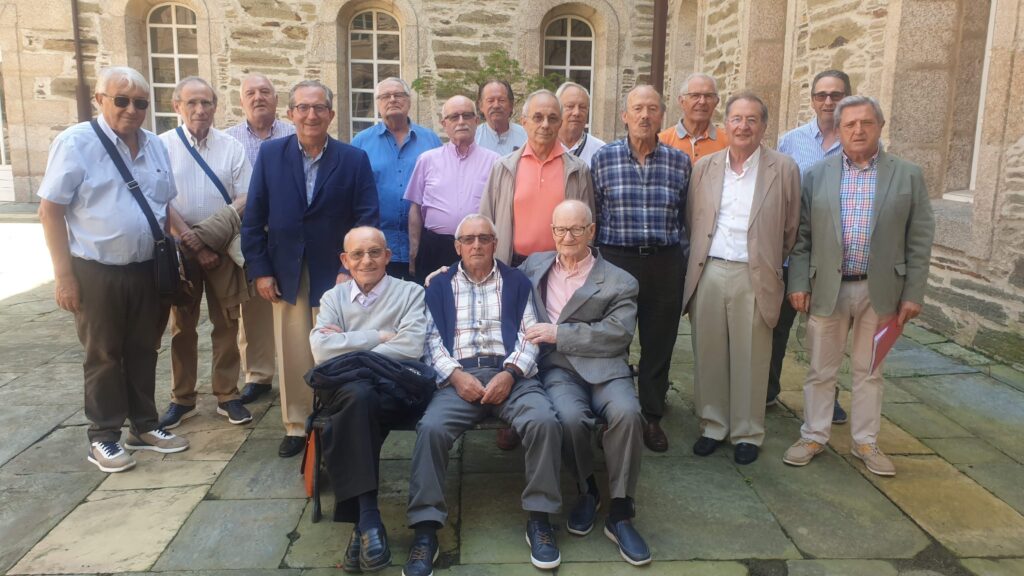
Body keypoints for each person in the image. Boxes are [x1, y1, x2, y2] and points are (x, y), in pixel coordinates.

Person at [37, 66, 188, 473]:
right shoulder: (76, 143)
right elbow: (50, 211)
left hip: (147, 268)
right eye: (121, 100)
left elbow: (163, 206)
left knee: (144, 348)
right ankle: (103, 435)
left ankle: (144, 425)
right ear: (99, 100)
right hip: (96, 270)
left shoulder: (155, 145)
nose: (131, 109)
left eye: (140, 102)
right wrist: (64, 276)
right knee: (103, 353)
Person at [403, 215, 563, 575]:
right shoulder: (439, 285)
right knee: (431, 430)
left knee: (543, 421)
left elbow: (531, 335)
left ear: (495, 243)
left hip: (511, 376)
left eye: (484, 238)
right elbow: (430, 341)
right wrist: (455, 376)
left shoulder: (517, 281)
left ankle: (540, 519)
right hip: (459, 378)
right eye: (468, 239)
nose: (476, 245)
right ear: (457, 246)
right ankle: (425, 530)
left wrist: (511, 373)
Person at [783, 96, 935, 477]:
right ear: (839, 129)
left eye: (866, 122)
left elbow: (919, 238)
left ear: (880, 125)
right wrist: (798, 282)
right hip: (827, 288)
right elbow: (802, 237)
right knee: (820, 369)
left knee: (870, 371)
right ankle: (813, 435)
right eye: (849, 124)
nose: (858, 130)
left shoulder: (908, 175)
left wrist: (913, 293)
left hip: (880, 291)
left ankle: (865, 441)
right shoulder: (817, 174)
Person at [241, 79, 379, 459]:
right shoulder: (271, 155)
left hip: (337, 272)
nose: (311, 115)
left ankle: (336, 419)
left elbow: (367, 216)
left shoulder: (353, 159)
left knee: (337, 349)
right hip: (286, 270)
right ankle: (298, 425)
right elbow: (253, 219)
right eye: (302, 107)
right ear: (290, 114)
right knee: (293, 351)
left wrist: (352, 268)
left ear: (331, 114)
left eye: (319, 108)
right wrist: (261, 270)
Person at [520, 200, 650, 565]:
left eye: (576, 229)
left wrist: (559, 333)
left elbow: (617, 334)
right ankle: (588, 488)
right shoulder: (534, 266)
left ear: (591, 231)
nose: (568, 237)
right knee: (569, 418)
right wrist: (445, 273)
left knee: (628, 414)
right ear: (552, 232)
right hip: (559, 369)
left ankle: (620, 511)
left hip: (606, 368)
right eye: (561, 229)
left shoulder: (620, 280)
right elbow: (496, 276)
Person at [683, 92, 801, 465]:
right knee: (709, 351)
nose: (743, 126)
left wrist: (767, 260)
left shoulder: (783, 168)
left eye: (752, 119)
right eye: (736, 118)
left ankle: (747, 432)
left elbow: (791, 228)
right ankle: (713, 425)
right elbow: (693, 219)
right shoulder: (705, 167)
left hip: (755, 273)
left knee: (752, 355)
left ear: (764, 126)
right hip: (710, 270)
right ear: (726, 124)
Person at [309, 227, 427, 573]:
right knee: (359, 399)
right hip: (348, 390)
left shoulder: (410, 293)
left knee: (358, 402)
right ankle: (368, 519)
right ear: (345, 260)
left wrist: (349, 346)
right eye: (357, 254)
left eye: (375, 252)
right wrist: (379, 336)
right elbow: (321, 349)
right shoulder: (333, 298)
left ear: (388, 256)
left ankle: (365, 521)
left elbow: (411, 346)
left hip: (394, 390)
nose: (366, 261)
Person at [591, 85, 690, 452]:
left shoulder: (680, 162)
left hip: (664, 261)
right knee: (612, 339)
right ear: (625, 116)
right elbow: (595, 214)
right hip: (617, 259)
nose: (645, 115)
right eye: (637, 108)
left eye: (652, 108)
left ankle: (651, 415)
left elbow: (685, 216)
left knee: (659, 342)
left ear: (662, 116)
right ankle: (612, 413)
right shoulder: (603, 159)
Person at [159, 76, 253, 429]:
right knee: (182, 326)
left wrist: (210, 240)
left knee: (227, 323)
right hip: (180, 250)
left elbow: (246, 197)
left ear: (215, 106)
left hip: (222, 249)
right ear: (177, 107)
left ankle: (227, 395)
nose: (200, 109)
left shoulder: (231, 147)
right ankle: (182, 398)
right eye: (192, 102)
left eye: (207, 102)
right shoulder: (161, 146)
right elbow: (159, 200)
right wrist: (192, 242)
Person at [772, 69, 852, 424]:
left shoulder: (857, 140)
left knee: (827, 332)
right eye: (821, 95)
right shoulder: (791, 141)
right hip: (791, 251)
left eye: (836, 95)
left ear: (847, 97)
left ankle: (827, 398)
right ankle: (767, 389)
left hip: (835, 256)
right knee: (776, 325)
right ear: (812, 100)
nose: (828, 101)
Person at [225, 73, 296, 405]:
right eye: (251, 93)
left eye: (265, 91)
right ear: (241, 101)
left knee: (295, 304)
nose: (258, 97)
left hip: (289, 233)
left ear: (276, 99)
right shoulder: (229, 140)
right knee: (253, 308)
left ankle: (299, 371)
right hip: (249, 233)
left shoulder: (295, 133)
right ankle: (258, 375)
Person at [480, 89, 595, 267]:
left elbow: (588, 226)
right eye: (538, 117)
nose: (545, 125)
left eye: (553, 118)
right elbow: (485, 221)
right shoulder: (503, 168)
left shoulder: (578, 170)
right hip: (512, 265)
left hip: (562, 267)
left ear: (560, 123)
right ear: (524, 122)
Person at [351, 77, 442, 281]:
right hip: (377, 247)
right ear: (377, 104)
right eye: (385, 96)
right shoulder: (361, 142)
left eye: (398, 95)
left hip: (423, 246)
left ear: (409, 101)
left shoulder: (431, 141)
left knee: (422, 298)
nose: (392, 99)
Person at [405, 95, 500, 281]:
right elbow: (415, 208)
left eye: (467, 116)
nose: (461, 121)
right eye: (454, 117)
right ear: (444, 124)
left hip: (477, 246)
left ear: (477, 121)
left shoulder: (495, 162)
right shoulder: (427, 160)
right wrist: (414, 250)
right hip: (435, 248)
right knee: (432, 296)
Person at [658, 73, 728, 164]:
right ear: (682, 101)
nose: (702, 102)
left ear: (716, 102)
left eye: (708, 96)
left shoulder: (728, 142)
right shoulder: (662, 142)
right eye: (695, 95)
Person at [556, 82, 606, 166]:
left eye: (582, 107)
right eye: (570, 106)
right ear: (557, 109)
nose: (576, 112)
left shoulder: (600, 150)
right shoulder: (544, 147)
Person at [474, 79, 527, 155]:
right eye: (490, 100)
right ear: (480, 105)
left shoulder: (526, 137)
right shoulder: (473, 138)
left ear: (511, 105)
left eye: (501, 100)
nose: (496, 105)